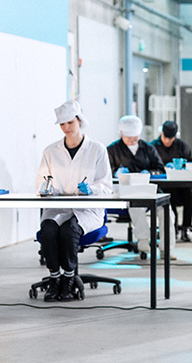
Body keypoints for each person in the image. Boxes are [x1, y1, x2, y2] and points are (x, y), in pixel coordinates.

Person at [36, 100, 113, 301]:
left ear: (79, 120)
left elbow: (106, 186)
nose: (66, 128)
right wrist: (46, 188)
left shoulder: (97, 149)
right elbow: (42, 181)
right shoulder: (50, 151)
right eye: (62, 124)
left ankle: (68, 282)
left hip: (87, 209)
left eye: (70, 123)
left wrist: (92, 190)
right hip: (58, 207)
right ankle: (55, 280)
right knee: (48, 231)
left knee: (69, 230)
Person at [107, 115, 177, 260]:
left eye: (135, 137)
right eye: (129, 137)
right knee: (136, 205)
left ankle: (166, 248)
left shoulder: (148, 148)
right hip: (127, 192)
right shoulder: (113, 150)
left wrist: (149, 173)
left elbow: (160, 168)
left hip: (150, 189)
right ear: (121, 134)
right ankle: (143, 240)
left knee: (166, 211)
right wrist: (116, 173)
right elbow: (106, 173)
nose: (132, 140)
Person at [150, 120, 192, 242]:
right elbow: (150, 165)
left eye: (170, 138)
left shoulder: (182, 146)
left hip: (181, 184)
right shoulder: (153, 146)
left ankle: (186, 227)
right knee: (168, 197)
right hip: (164, 185)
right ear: (161, 134)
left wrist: (180, 166)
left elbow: (190, 164)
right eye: (165, 137)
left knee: (189, 195)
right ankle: (172, 228)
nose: (167, 141)